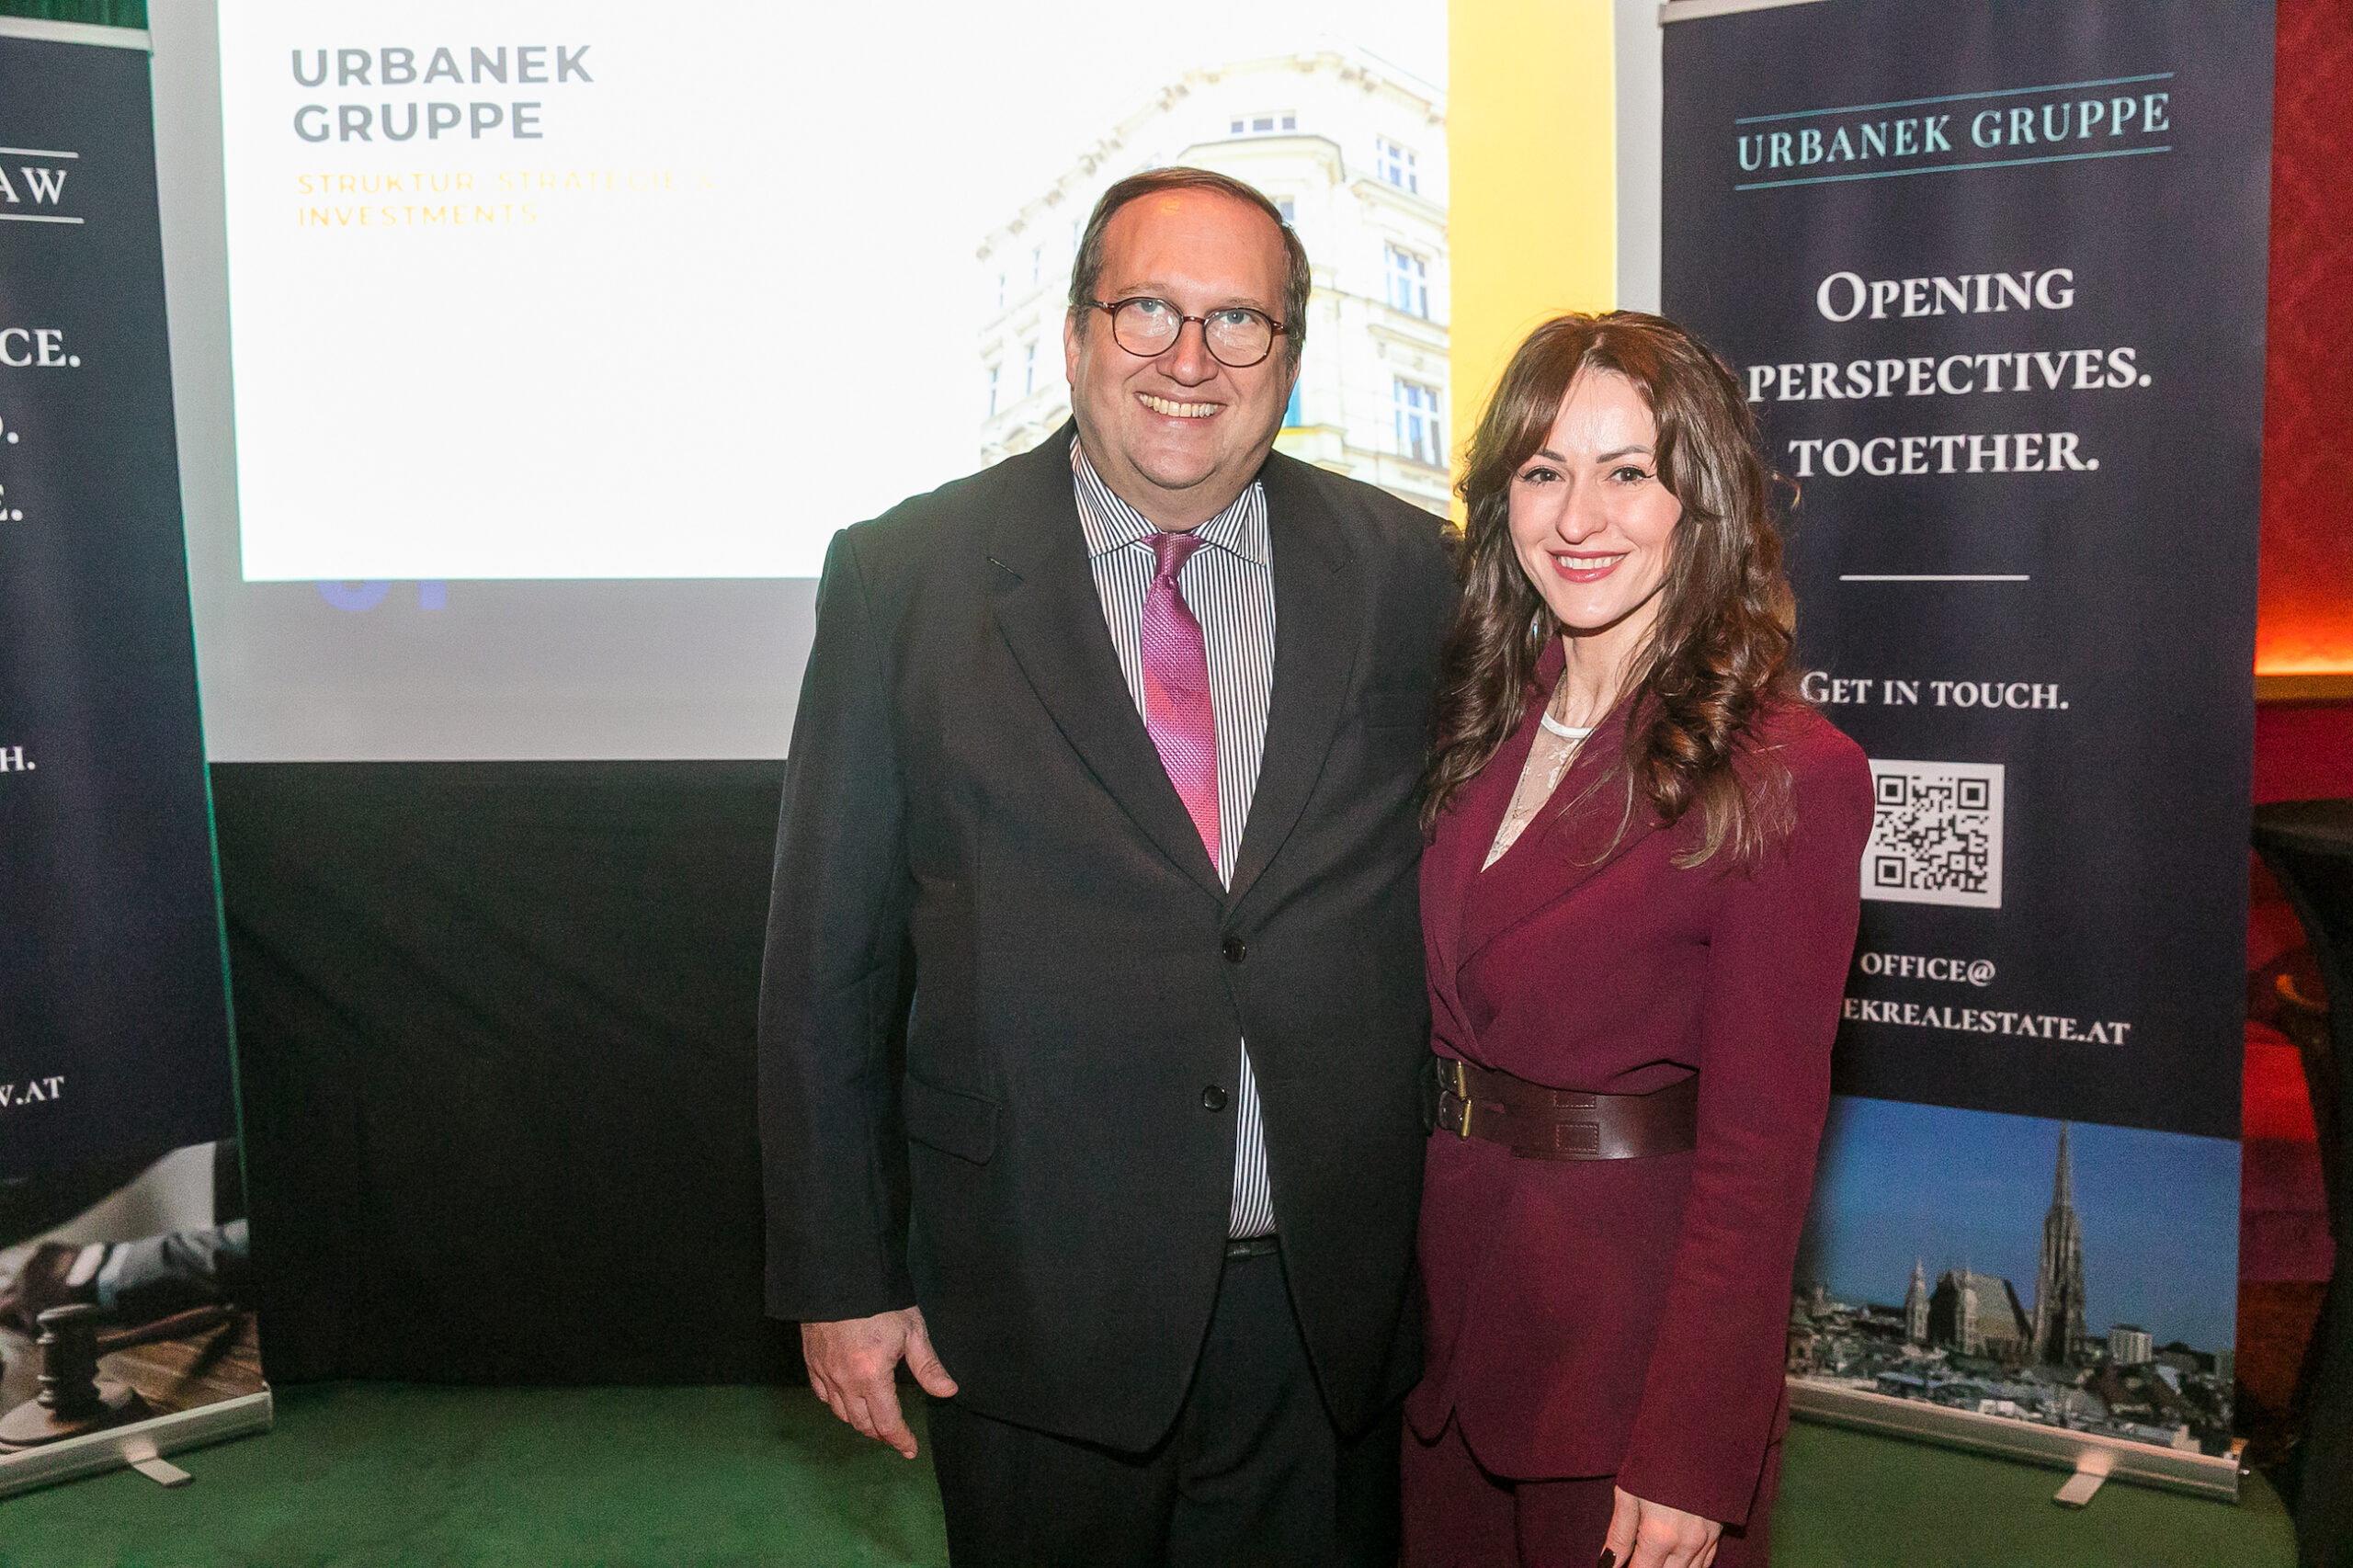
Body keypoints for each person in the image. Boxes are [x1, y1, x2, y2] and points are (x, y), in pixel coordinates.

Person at [759, 166, 1456, 1567]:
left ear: (1289, 358)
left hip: (1322, 1315)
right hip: (1030, 1307)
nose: (1189, 359)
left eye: (1237, 320)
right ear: (1076, 331)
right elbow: (826, 961)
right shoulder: (907, 577)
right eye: (1147, 309)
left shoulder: (1409, 573)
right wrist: (842, 1273)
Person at [1402, 312, 1871, 1568]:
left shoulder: (1784, 771)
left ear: (1699, 501)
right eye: (1542, 471)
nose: (1577, 517)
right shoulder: (1477, 720)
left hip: (1624, 1369)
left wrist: (1691, 1446)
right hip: (1440, 1335)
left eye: (1626, 473)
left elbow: (1761, 1156)